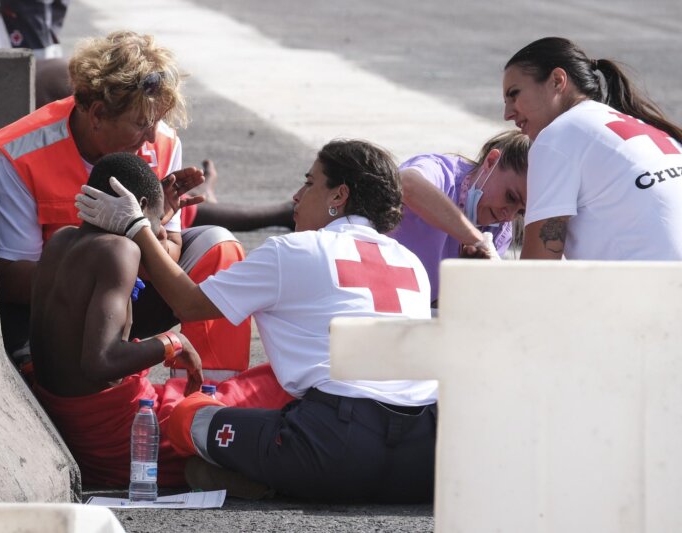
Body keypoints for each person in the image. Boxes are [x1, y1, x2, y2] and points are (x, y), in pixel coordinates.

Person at [77, 139, 439, 503]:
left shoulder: (294, 250)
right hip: (424, 457)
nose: (296, 196)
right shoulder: (411, 263)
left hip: (335, 450)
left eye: (309, 183)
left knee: (185, 417)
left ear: (339, 195)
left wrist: (139, 226)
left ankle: (258, 473)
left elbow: (188, 303)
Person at [0, 30, 250, 381]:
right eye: (140, 123)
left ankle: (208, 403)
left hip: (129, 294)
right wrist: (113, 254)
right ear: (98, 114)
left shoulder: (161, 142)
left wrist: (152, 225)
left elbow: (171, 254)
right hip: (53, 313)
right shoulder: (19, 156)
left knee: (218, 246)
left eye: (156, 121)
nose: (152, 137)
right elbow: (12, 279)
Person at [30, 152, 204, 487]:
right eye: (159, 221)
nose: (161, 232)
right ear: (137, 206)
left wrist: (155, 220)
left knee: (196, 401)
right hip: (117, 441)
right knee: (227, 426)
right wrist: (173, 342)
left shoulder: (62, 240)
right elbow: (100, 361)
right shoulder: (119, 251)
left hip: (68, 419)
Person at [502, 37, 682, 260]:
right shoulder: (640, 126)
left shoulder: (557, 136)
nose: (507, 113)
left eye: (514, 94)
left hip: (655, 288)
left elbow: (539, 270)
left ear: (557, 80)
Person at [390, 130, 530, 305]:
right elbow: (405, 182)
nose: (508, 216)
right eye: (510, 197)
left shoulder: (500, 231)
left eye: (520, 212)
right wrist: (476, 239)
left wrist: (465, 281)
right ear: (491, 161)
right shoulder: (441, 174)